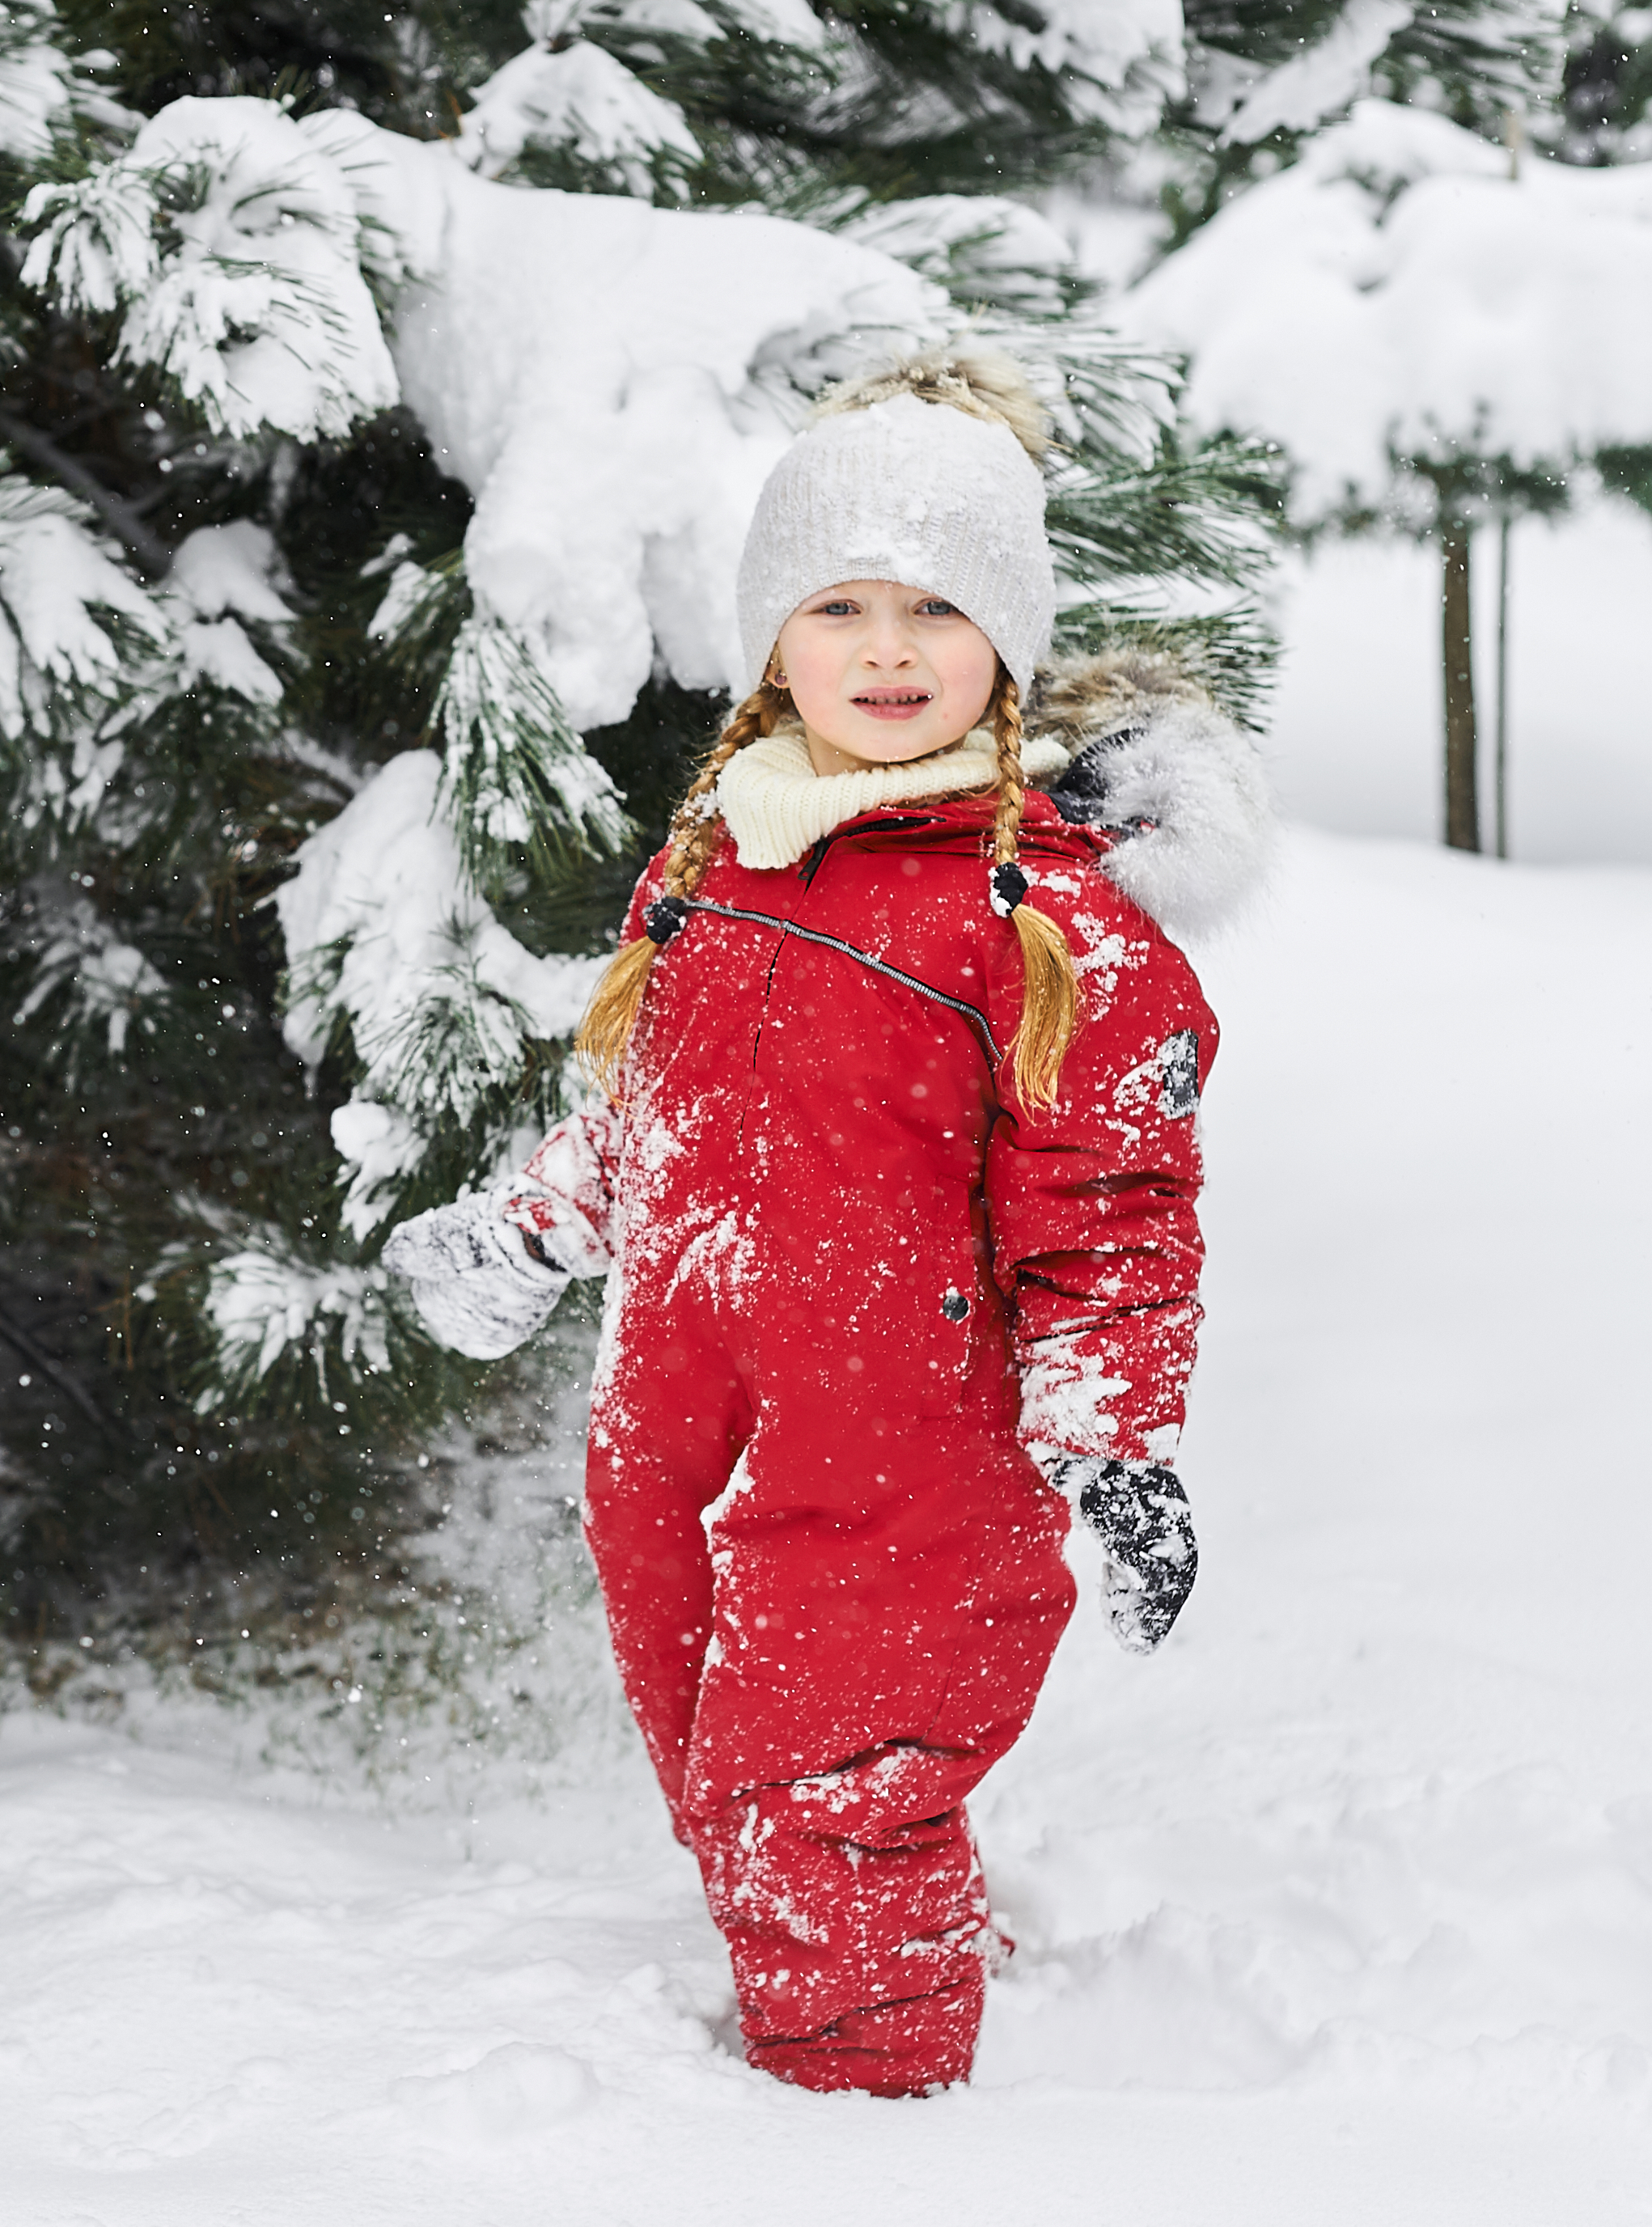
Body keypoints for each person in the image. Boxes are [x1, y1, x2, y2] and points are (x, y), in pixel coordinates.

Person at [381, 349, 1274, 2097]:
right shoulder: (723, 846)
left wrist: (1112, 1445)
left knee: (816, 1802)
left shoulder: (1039, 922)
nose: (883, 649)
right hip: (678, 1437)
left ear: (1003, 647)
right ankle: (890, 1954)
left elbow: (1109, 1215)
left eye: (935, 610)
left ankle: (855, 2135)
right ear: (770, 638)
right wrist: (526, 1231)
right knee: (731, 1773)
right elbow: (657, 1112)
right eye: (838, 605)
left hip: (899, 1469)